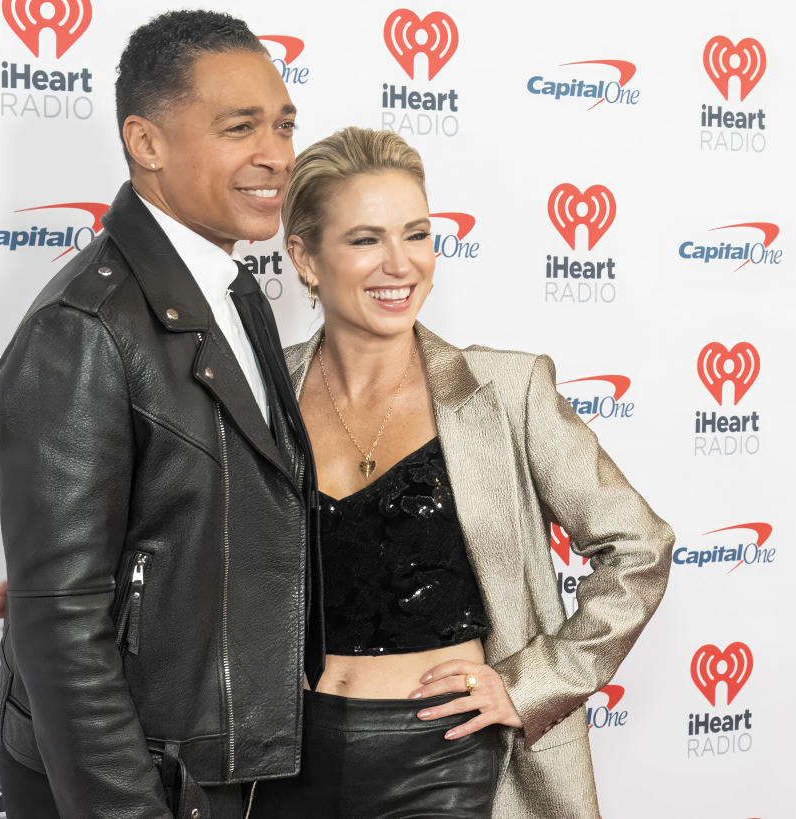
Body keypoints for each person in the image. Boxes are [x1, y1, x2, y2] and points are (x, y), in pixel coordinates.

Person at [246, 127, 675, 818]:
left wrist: (534, 682)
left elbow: (640, 546)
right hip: (287, 759)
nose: (400, 263)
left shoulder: (507, 391)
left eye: (416, 234)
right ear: (305, 257)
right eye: (365, 239)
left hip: (448, 761)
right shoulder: (260, 393)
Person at [0, 11, 321, 819]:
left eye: (283, 124)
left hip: (221, 769)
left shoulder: (235, 291)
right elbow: (61, 624)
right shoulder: (83, 327)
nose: (276, 154)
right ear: (147, 142)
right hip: (144, 788)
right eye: (240, 127)